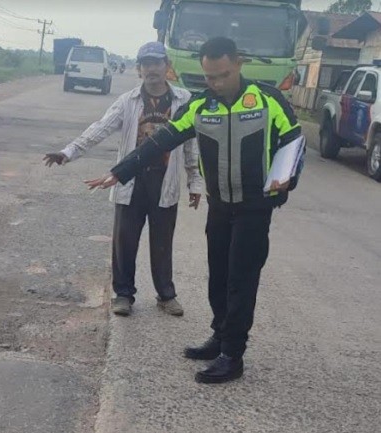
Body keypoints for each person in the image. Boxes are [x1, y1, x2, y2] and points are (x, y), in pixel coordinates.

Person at [84, 37, 301, 384]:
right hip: (221, 206)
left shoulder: (266, 100)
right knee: (218, 275)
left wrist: (283, 185)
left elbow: (292, 140)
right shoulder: (201, 106)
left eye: (222, 75)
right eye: (209, 77)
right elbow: (161, 140)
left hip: (253, 209)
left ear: (239, 63)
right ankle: (219, 336)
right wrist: (119, 171)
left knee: (241, 281)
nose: (215, 83)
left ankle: (233, 354)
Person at [44, 41, 203, 317]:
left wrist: (195, 181)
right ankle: (124, 295)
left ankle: (166, 295)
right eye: (146, 64)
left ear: (167, 66)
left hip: (165, 183)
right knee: (125, 242)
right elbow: (99, 129)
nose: (152, 69)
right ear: (139, 69)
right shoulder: (128, 101)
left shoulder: (184, 100)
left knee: (162, 243)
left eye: (157, 63)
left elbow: (192, 145)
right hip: (130, 182)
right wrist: (67, 152)